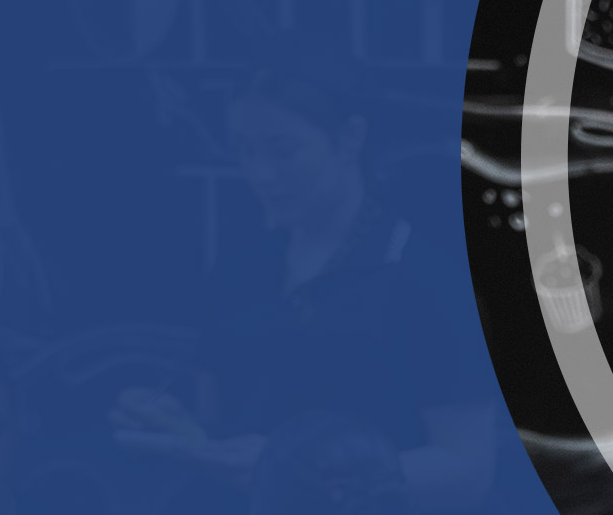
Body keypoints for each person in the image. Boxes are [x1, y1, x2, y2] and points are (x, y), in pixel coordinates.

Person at [109, 51, 498, 513]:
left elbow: (467, 469)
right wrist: (178, 429)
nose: (260, 174)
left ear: (350, 139)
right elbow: (225, 420)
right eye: (245, 151)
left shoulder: (423, 278)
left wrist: (301, 474)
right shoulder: (239, 269)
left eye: (283, 151)